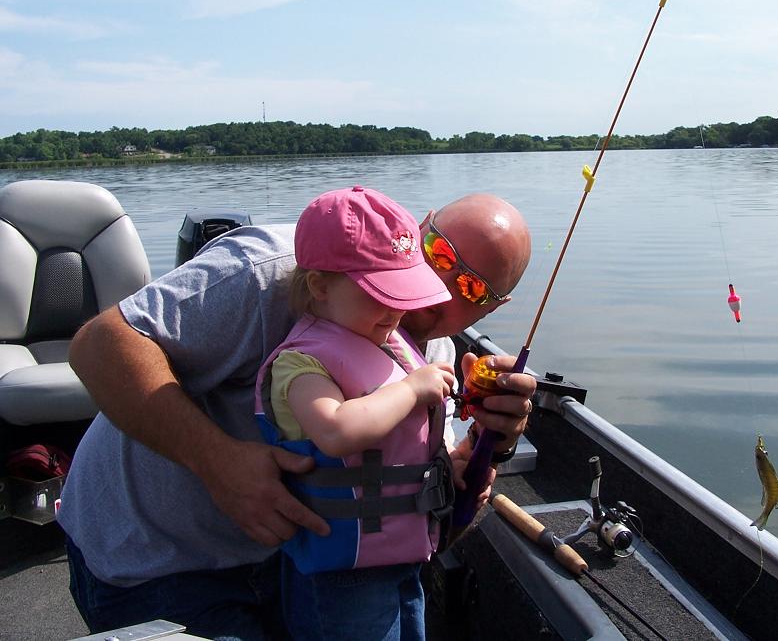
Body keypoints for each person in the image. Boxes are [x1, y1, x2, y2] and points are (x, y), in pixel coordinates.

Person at [60, 191, 534, 640]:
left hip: (303, 565)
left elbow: (413, 524)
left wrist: (481, 453)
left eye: (471, 288)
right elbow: (96, 347)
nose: (439, 292)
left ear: (493, 308)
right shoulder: (270, 273)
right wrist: (217, 462)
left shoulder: (432, 361)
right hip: (153, 560)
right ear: (422, 226)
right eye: (441, 254)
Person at [258, 186, 460, 640]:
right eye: (380, 295)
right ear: (320, 287)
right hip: (342, 574)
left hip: (398, 554)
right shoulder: (301, 363)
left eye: (402, 294)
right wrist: (411, 389)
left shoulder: (383, 341)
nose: (395, 311)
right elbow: (334, 431)